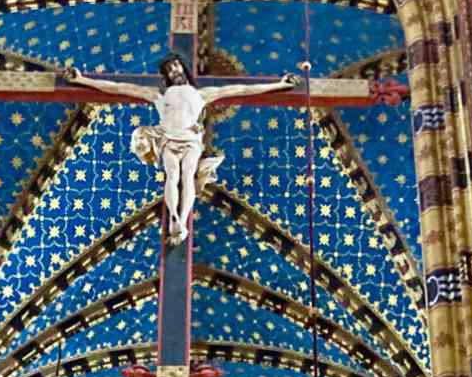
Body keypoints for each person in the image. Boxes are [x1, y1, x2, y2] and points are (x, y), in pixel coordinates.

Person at [60, 54, 299, 243]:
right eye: (169, 70)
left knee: (187, 176)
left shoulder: (203, 94)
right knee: (172, 176)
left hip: (191, 139)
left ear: (183, 68)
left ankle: (181, 220)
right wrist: (81, 80)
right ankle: (174, 216)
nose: (174, 71)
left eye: (176, 66)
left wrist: (279, 84)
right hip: (168, 139)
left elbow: (242, 89)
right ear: (166, 75)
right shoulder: (158, 96)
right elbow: (118, 87)